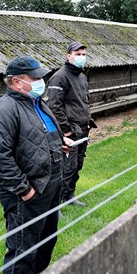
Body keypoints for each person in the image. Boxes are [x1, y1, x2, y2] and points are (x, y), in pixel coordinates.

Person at [0, 56, 73, 274]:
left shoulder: (37, 103)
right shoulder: (2, 111)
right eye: (35, 78)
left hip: (50, 187)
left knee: (46, 241)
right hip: (30, 192)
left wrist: (60, 143)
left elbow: (41, 136)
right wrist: (24, 190)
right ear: (15, 81)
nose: (41, 82)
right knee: (23, 251)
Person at [47, 41, 95, 207]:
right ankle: (55, 203)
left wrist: (88, 121)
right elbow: (55, 106)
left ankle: (69, 196)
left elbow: (83, 101)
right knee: (67, 166)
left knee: (77, 165)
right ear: (68, 56)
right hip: (70, 131)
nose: (81, 57)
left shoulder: (81, 76)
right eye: (77, 54)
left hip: (83, 128)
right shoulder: (60, 77)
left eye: (83, 54)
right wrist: (65, 131)